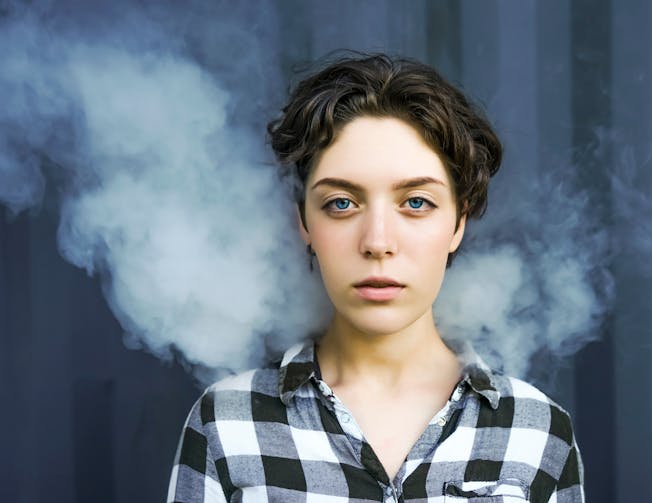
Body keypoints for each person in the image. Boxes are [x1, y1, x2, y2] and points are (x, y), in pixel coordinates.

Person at [167, 52, 584, 503]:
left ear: (458, 223)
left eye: (417, 202)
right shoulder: (227, 423)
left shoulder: (536, 429)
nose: (378, 242)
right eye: (342, 203)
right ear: (304, 223)